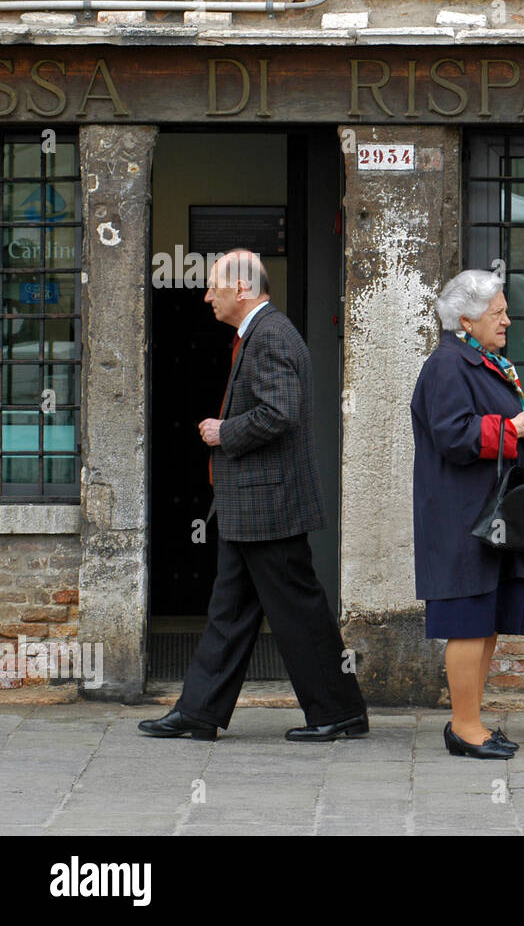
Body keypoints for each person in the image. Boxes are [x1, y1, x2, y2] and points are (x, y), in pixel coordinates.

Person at [139, 249, 368, 742]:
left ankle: (338, 710)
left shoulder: (268, 335)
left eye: (214, 287)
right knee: (231, 611)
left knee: (298, 611)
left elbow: (279, 412)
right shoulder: (264, 332)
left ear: (241, 289)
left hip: (270, 505)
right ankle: (199, 711)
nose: (206, 296)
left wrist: (226, 432)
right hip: (256, 504)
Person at [410, 268, 524, 760]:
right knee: (468, 621)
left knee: (485, 621)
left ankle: (470, 722)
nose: (508, 320)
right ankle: (464, 727)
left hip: (489, 517)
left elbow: (491, 429)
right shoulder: (446, 365)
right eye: (498, 313)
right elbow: (455, 435)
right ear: (467, 319)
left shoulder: (481, 361)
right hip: (461, 519)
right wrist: (515, 426)